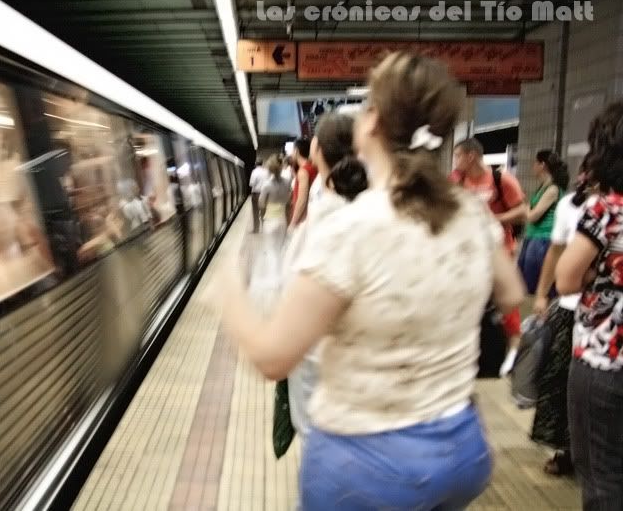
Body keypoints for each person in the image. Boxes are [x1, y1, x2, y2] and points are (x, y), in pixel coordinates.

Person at [222, 52, 525, 510]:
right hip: (459, 449)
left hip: (367, 464)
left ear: (374, 122)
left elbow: (274, 358)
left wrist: (229, 293)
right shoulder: (469, 211)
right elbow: (511, 293)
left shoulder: (349, 229)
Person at [283, 112, 368, 441]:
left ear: (316, 149)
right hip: (364, 369)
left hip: (318, 363)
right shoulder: (378, 212)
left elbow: (289, 306)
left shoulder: (319, 224)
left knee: (319, 440)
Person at [556, 100, 623, 510]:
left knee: (603, 478)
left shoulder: (607, 210)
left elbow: (566, 277)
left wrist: (601, 275)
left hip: (605, 362)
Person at [530, 153, 594, 477]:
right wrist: (542, 293)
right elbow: (556, 252)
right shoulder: (570, 205)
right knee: (562, 384)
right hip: (572, 309)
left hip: (603, 315)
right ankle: (568, 450)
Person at [452, 137, 527, 375]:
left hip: (500, 250)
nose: (455, 161)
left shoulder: (501, 179)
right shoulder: (457, 181)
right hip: (469, 252)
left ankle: (513, 349)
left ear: (471, 156)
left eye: (458, 156)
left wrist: (495, 219)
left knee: (505, 302)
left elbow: (523, 211)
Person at [518, 150, 570, 295]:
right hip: (534, 238)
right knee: (527, 283)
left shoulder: (553, 189)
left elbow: (532, 216)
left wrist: (525, 208)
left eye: (535, 162)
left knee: (534, 284)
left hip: (542, 240)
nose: (533, 166)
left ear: (542, 165)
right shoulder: (544, 187)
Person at [258, 156, 292, 282]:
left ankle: (273, 278)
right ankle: (279, 275)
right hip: (282, 219)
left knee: (270, 250)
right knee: (279, 249)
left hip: (270, 220)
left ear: (269, 169)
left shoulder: (266, 185)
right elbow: (289, 200)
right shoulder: (287, 182)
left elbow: (261, 204)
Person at [288, 139, 317, 231]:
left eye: (292, 150)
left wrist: (293, 223)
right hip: (311, 216)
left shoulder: (303, 171)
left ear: (296, 151)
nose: (291, 154)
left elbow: (302, 200)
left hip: (303, 220)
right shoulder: (313, 167)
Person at [249, 159, 268, 233]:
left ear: (256, 164)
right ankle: (264, 229)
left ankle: (256, 229)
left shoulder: (254, 172)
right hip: (265, 193)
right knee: (264, 212)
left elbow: (251, 183)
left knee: (256, 212)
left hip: (256, 194)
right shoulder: (266, 172)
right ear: (262, 163)